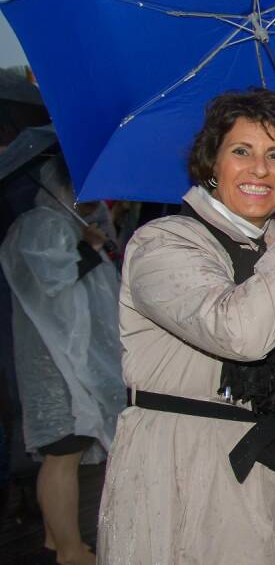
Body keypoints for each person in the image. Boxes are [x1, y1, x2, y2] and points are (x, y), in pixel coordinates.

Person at [97, 89, 275, 565]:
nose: (260, 169)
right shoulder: (161, 244)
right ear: (210, 165)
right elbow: (240, 332)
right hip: (188, 472)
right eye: (242, 151)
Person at [0, 157, 124, 565]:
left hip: (75, 361)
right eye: (84, 195)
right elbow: (51, 282)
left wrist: (92, 238)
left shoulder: (68, 223)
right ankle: (70, 549)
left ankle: (57, 540)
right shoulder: (40, 224)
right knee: (62, 453)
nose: (91, 204)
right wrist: (87, 248)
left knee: (63, 452)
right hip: (56, 364)